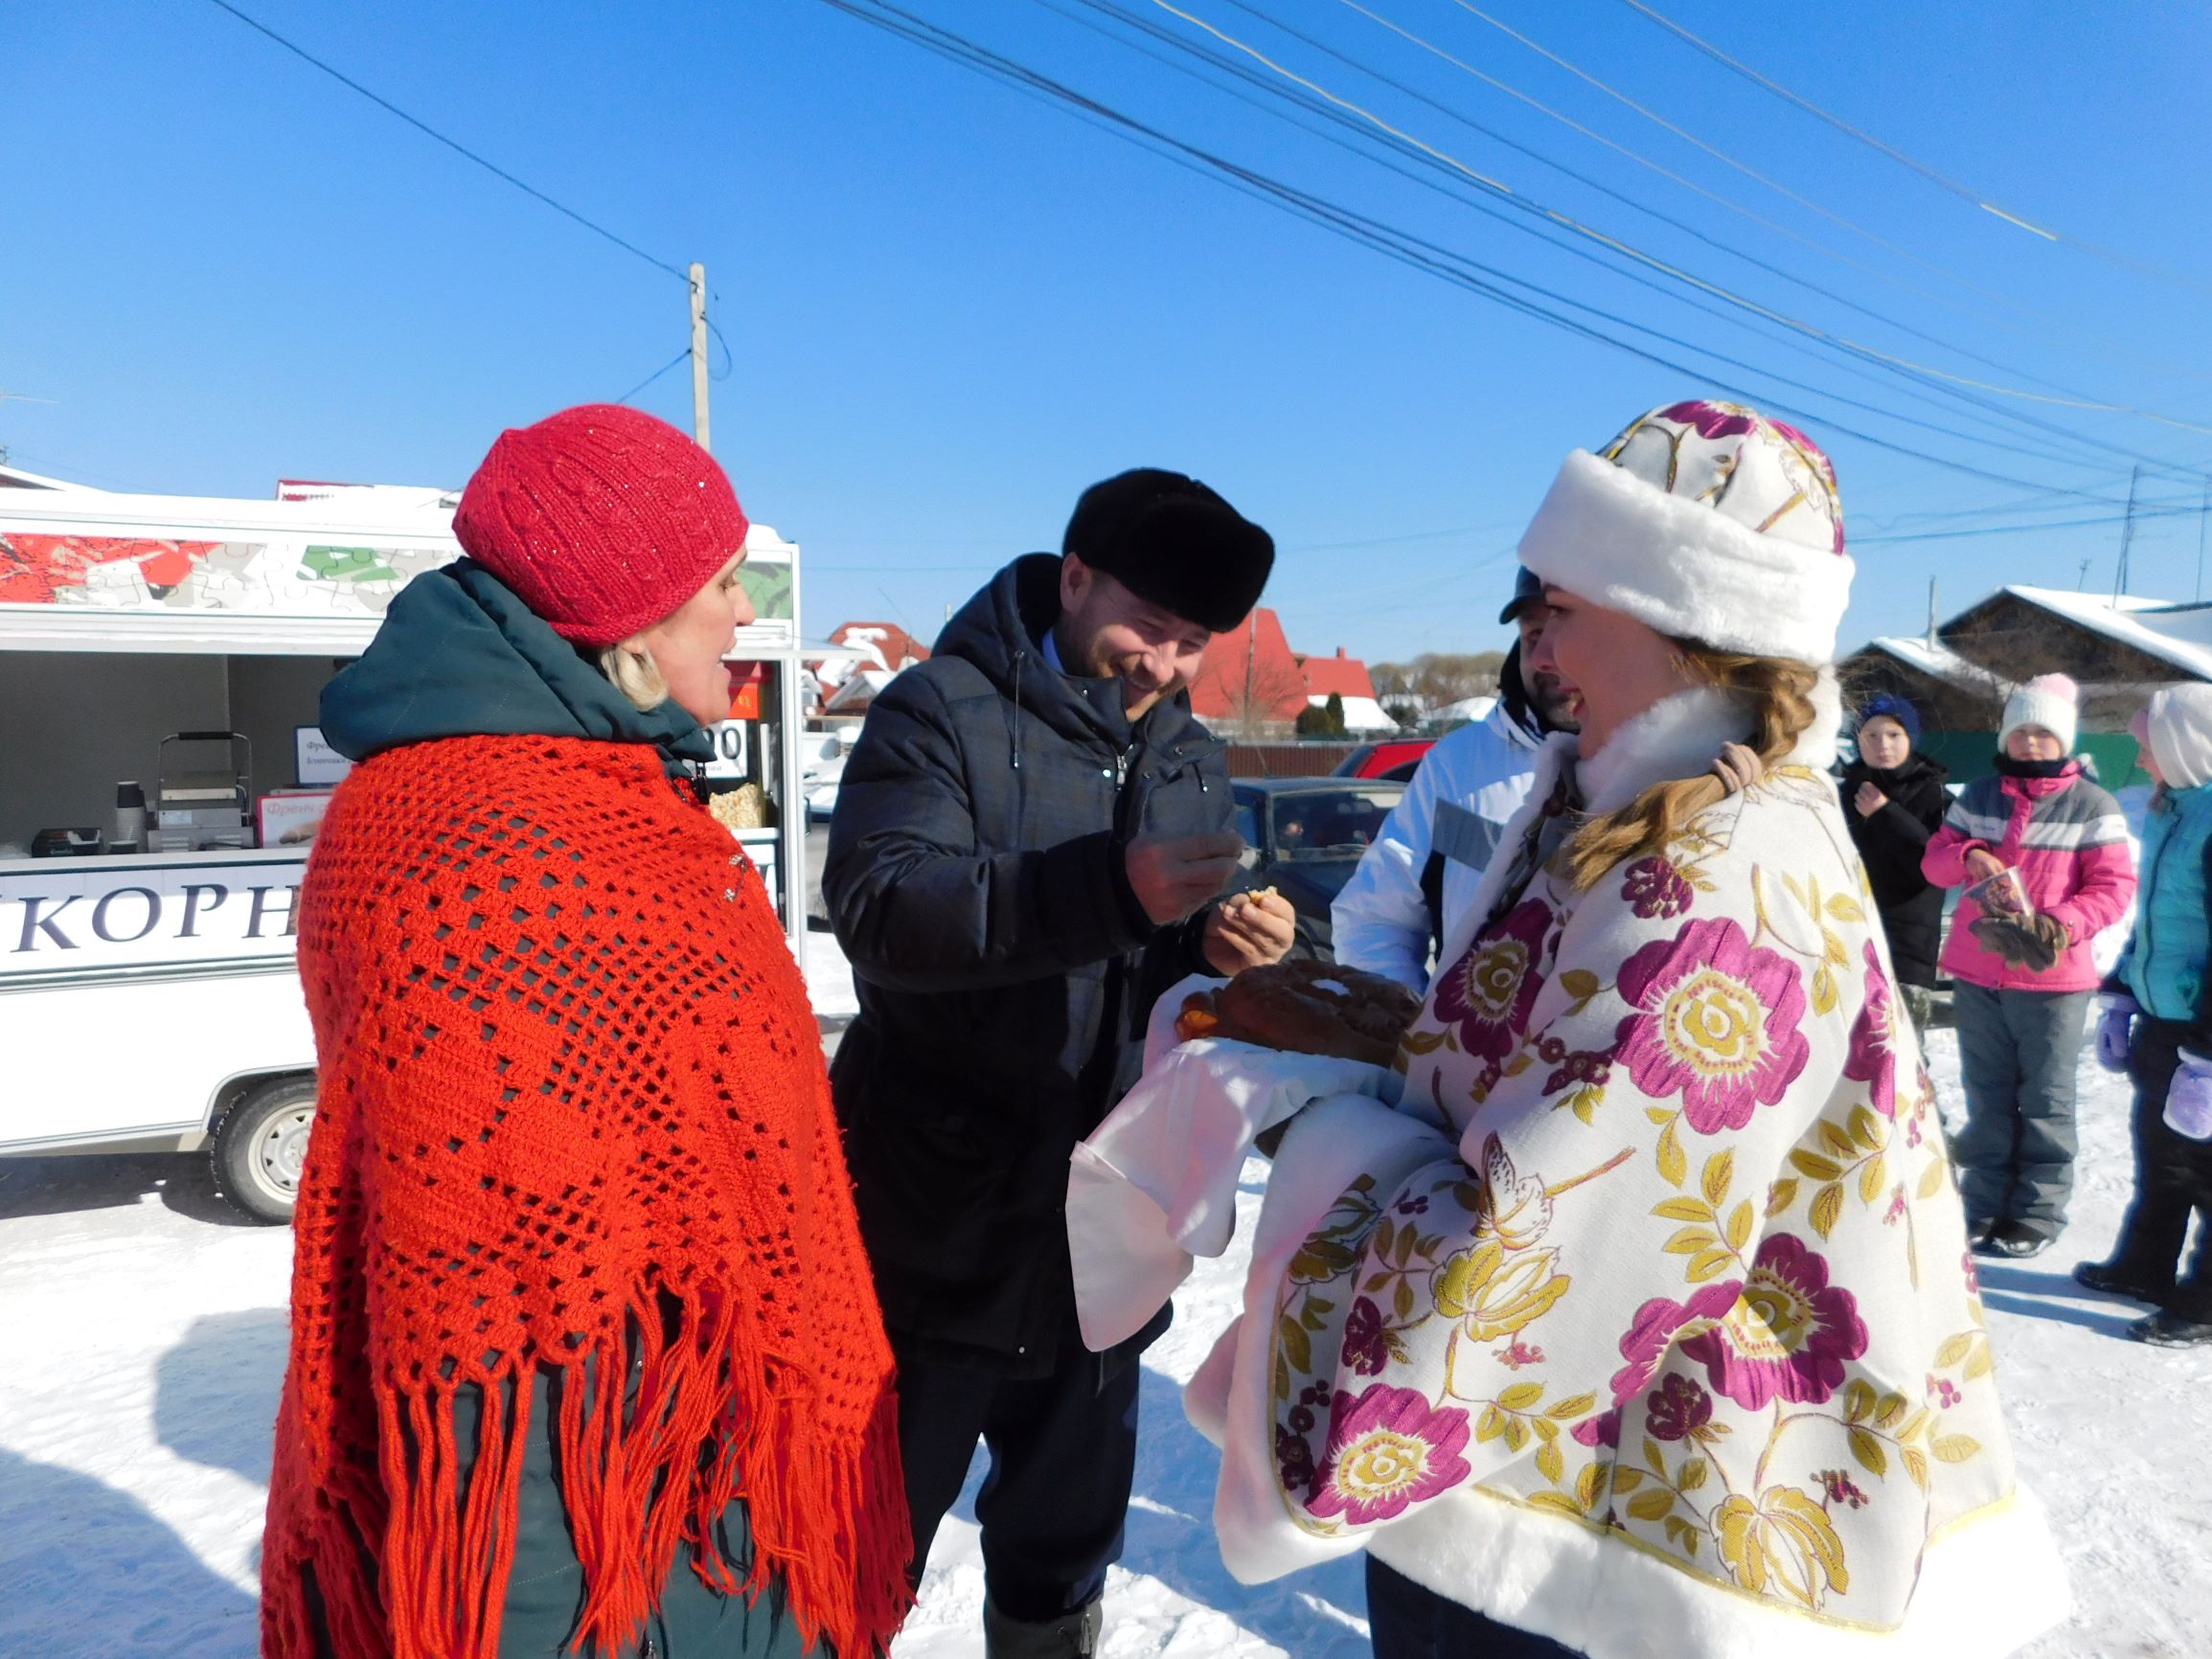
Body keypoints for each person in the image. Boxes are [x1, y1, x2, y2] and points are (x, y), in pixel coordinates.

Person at [1106, 400, 2064, 1657]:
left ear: (1683, 617)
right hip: (1552, 1486)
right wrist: (1378, 1049)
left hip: (1604, 1548)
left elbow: (1537, 1261)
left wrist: (1324, 1136)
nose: (1532, 637)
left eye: (1561, 603)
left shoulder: (1725, 875)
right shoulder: (1637, 811)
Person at [262, 406, 910, 1659]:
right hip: (625, 1531)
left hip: (708, 1470)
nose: (741, 615)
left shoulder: (581, 804)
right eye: (720, 583)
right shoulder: (495, 845)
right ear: (627, 616)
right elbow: (497, 1326)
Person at [823, 468, 1295, 1657]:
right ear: (1072, 576)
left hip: (1101, 1245)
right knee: (853, 1550)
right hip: (925, 1237)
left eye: (1193, 644)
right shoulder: (936, 708)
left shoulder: (1187, 754)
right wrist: (1109, 889)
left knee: (1057, 1558)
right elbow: (883, 906)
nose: (1165, 666)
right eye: (1148, 627)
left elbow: (1177, 948)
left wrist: (1237, 940)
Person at [1923, 674, 2136, 1260]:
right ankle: (1984, 1203)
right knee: (1986, 1094)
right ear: (2007, 737)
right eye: (2022, 732)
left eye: (2045, 733)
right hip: (1978, 970)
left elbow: (2114, 887)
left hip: (2053, 979)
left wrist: (2061, 924)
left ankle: (2038, 1212)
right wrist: (1969, 852)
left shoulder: (2094, 805)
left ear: (2063, 738)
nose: (2033, 743)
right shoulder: (1979, 797)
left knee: (2045, 1098)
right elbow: (1935, 864)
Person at [1332, 568, 1578, 990]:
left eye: (1568, 630)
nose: (1547, 657)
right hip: (1463, 1053)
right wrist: (1410, 1027)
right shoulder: (1458, 764)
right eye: (1534, 634)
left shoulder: (1684, 763)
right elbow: (1376, 918)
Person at [2077, 685, 2212, 1347]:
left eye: (2145, 743)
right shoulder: (2171, 809)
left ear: (2182, 747)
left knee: (2208, 1172)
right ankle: (2144, 1266)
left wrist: (2206, 1053)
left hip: (2204, 1032)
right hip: (2166, 1021)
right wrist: (2123, 988)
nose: (2136, 753)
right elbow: (2158, 917)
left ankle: (2206, 1303)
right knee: (2160, 1154)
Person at [1838, 693, 1950, 1042]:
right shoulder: (1842, 794)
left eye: (1893, 735)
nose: (1882, 744)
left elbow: (1932, 866)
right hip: (1846, 942)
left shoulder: (1936, 797)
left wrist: (1886, 814)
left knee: (1903, 1053)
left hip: (1907, 950)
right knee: (1848, 1055)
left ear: (1910, 740)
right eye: (1871, 736)